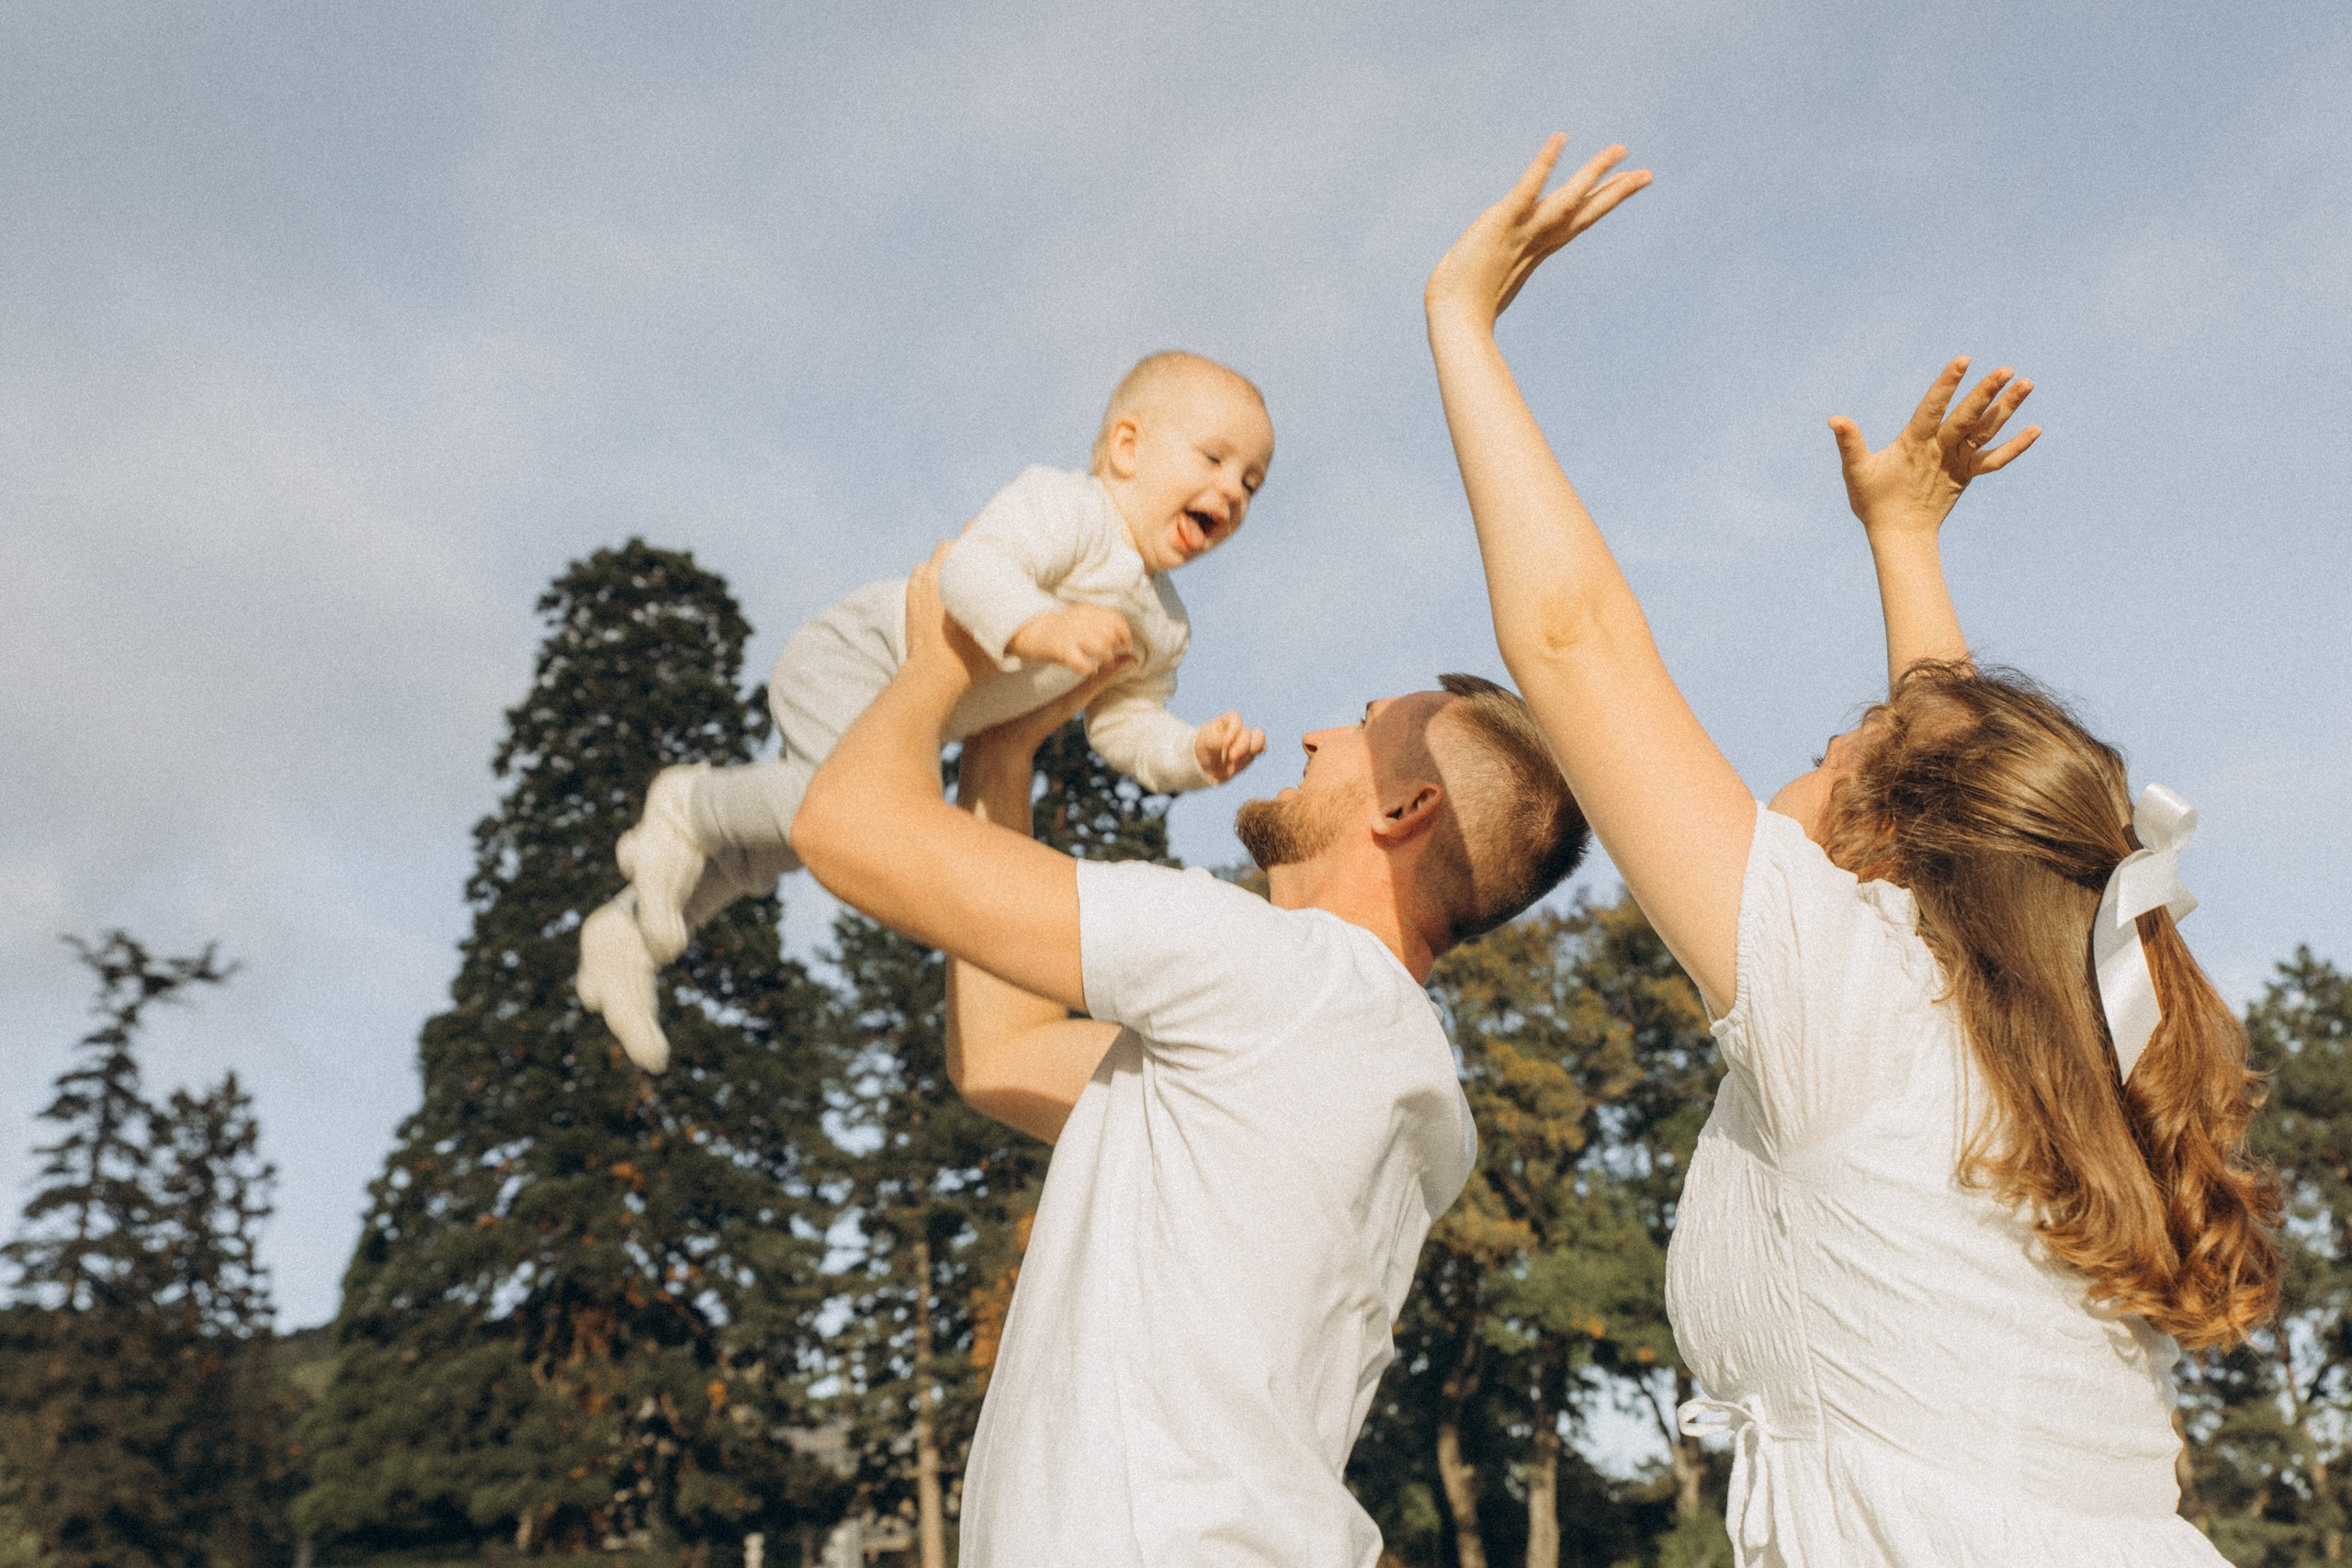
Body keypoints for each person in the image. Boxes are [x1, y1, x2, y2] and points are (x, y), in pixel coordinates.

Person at [1425, 135, 2278, 1564]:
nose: (1793, 778)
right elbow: (1959, 801)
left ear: (1882, 850)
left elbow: (1577, 645)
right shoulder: (2057, 1049)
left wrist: (1460, 318)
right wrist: (1906, 542)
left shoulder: (1861, 1008)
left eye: (1824, 766)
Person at [788, 554, 1588, 1566]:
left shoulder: (1273, 974)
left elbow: (841, 827)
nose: (1312, 736)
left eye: (1360, 725)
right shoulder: (1375, 1068)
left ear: (1401, 810)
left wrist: (942, 652)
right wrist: (1003, 747)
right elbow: (1005, 1052)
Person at [577, 350, 1276, 1070]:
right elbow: (973, 567)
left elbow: (1124, 723)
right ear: (1127, 448)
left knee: (792, 839)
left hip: (912, 710)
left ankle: (632, 933)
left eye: (1251, 481)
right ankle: (689, 803)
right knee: (841, 816)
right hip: (858, 658)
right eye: (1214, 458)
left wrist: (1191, 754)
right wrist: (1040, 625)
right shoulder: (1069, 508)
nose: (1232, 490)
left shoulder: (1164, 625)